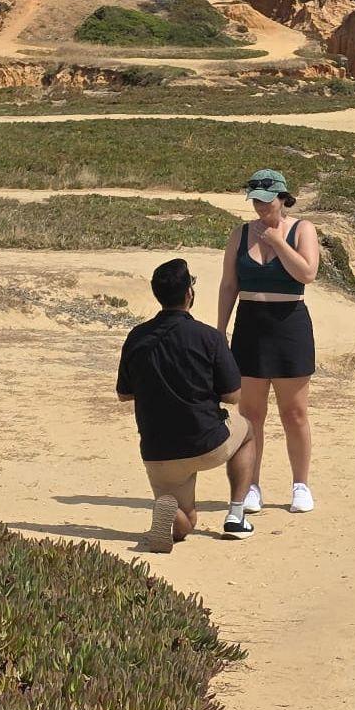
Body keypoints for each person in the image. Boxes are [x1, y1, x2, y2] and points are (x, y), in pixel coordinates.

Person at [117, 258, 257, 553]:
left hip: (158, 451)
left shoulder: (136, 337)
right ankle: (235, 514)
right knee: (248, 433)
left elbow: (124, 394)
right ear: (189, 294)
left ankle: (171, 512)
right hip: (207, 442)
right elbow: (233, 396)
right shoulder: (209, 337)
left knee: (185, 524)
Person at [219, 169, 320, 516]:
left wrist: (277, 242)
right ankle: (251, 486)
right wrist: (221, 330)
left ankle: (300, 484)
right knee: (250, 415)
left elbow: (307, 273)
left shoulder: (302, 229)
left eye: (266, 201)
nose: (261, 208)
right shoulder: (240, 233)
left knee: (295, 413)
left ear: (282, 198)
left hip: (289, 326)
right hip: (250, 327)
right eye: (256, 202)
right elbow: (229, 285)